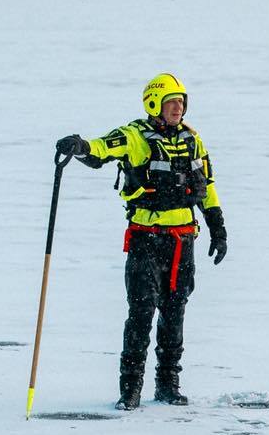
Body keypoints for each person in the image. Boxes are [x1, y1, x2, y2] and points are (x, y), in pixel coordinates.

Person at [55, 74, 228, 410]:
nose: (177, 108)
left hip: (182, 242)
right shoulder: (134, 136)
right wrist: (80, 146)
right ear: (154, 104)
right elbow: (102, 149)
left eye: (181, 102)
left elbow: (207, 187)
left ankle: (168, 385)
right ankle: (130, 389)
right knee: (141, 312)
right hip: (145, 240)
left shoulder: (194, 140)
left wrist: (218, 229)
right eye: (171, 102)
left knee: (175, 312)